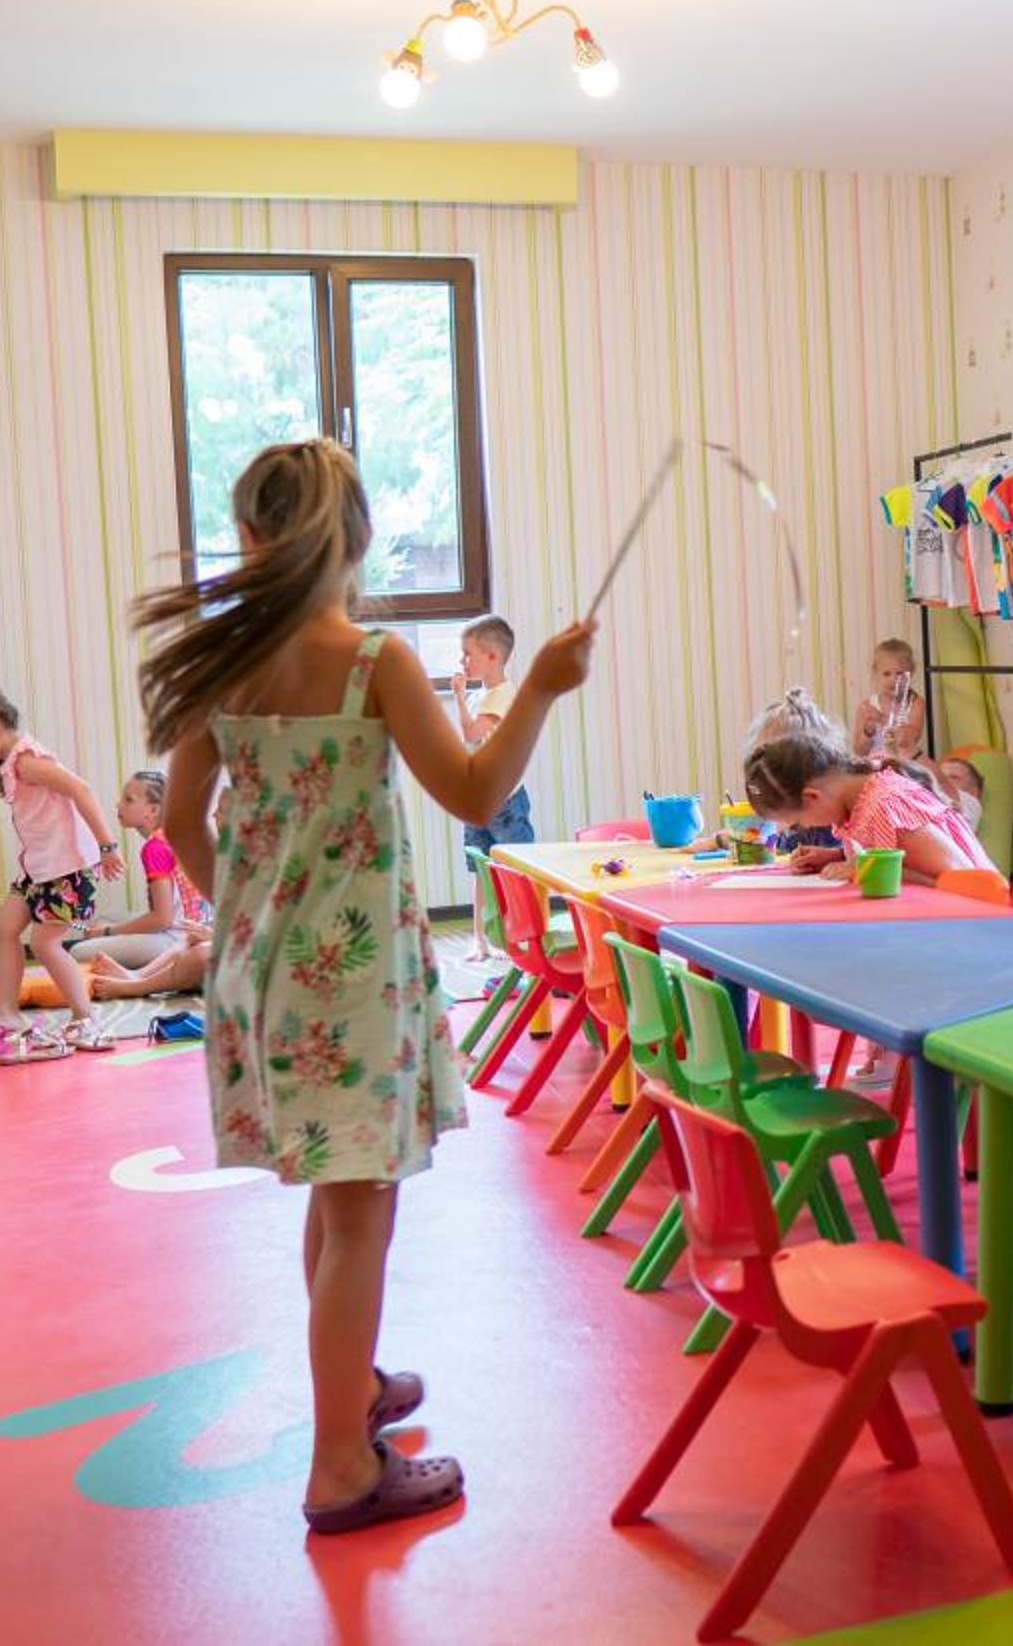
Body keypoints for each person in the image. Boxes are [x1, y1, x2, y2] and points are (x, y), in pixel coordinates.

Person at [134, 438, 596, 1532]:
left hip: (261, 973)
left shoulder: (223, 662)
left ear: (250, 534)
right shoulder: (372, 658)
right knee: (358, 1216)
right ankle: (341, 1464)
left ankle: (352, 1387)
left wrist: (247, 912)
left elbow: (184, 822)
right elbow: (476, 793)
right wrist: (537, 687)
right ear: (359, 541)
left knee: (336, 1201)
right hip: (350, 980)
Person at [0, 683, 122, 1061]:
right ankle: (6, 1014)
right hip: (39, 867)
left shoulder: (27, 762)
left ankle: (86, 1018)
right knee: (4, 927)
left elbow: (81, 790)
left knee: (45, 943)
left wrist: (107, 847)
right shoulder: (11, 763)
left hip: (65, 868)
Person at [741, 734, 991, 887]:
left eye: (799, 820)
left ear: (812, 797)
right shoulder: (856, 801)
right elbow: (901, 855)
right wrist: (837, 856)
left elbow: (960, 878)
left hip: (975, 921)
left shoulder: (887, 803)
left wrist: (867, 869)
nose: (804, 827)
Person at [70, 769, 208, 971]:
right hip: (189, 929)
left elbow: (162, 919)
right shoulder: (175, 836)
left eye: (128, 800)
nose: (118, 805)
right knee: (103, 919)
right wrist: (107, 929)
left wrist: (107, 932)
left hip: (176, 938)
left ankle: (157, 967)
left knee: (78, 952)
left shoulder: (155, 848)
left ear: (153, 810)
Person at [453, 615, 533, 856]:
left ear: (492, 657)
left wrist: (458, 697)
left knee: (516, 864)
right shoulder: (479, 696)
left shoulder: (503, 695)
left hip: (504, 802)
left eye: (468, 654)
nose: (462, 661)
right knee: (480, 863)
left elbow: (471, 733)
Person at [852, 638, 926, 763]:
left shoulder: (915, 703)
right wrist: (868, 731)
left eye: (900, 674)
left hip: (906, 766)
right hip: (875, 766)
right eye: (886, 674)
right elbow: (859, 751)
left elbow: (913, 738)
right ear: (876, 674)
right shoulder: (866, 707)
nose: (893, 679)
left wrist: (889, 724)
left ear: (911, 673)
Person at [934, 755, 987, 837]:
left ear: (974, 792)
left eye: (954, 777)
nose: (944, 780)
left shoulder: (973, 804)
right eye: (941, 776)